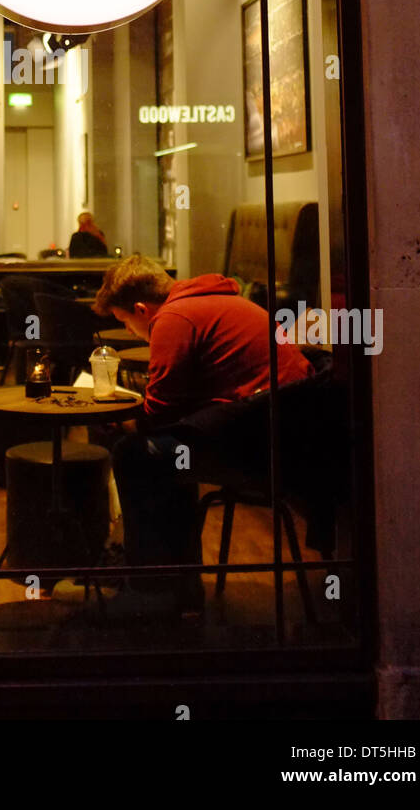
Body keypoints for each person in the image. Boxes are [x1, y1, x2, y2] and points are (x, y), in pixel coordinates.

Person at [92, 256, 313, 615]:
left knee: (134, 454)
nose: (131, 332)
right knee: (171, 455)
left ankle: (151, 589)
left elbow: (160, 412)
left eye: (125, 323)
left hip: (264, 444)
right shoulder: (221, 300)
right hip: (293, 431)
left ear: (140, 309)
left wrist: (124, 423)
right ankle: (178, 584)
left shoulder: (174, 319)